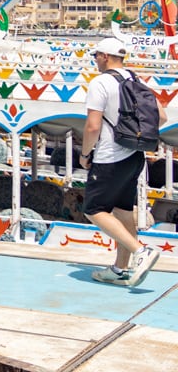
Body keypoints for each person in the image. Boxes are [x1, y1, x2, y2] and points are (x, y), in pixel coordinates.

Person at [80, 37, 165, 286]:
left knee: (94, 210)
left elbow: (93, 126)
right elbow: (160, 115)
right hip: (133, 156)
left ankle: (141, 251)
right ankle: (119, 269)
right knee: (122, 211)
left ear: (105, 56)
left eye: (96, 55)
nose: (95, 59)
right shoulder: (135, 79)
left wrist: (85, 155)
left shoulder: (100, 83)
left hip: (109, 157)